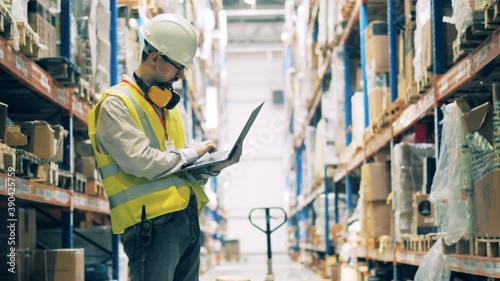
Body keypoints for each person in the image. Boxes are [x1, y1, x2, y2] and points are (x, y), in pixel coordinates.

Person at [87, 13, 223, 281]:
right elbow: (141, 162)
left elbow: (172, 165)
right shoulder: (116, 103)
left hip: (184, 220)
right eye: (178, 67)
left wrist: (205, 168)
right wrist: (190, 153)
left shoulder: (165, 106)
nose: (182, 75)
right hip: (151, 227)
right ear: (155, 57)